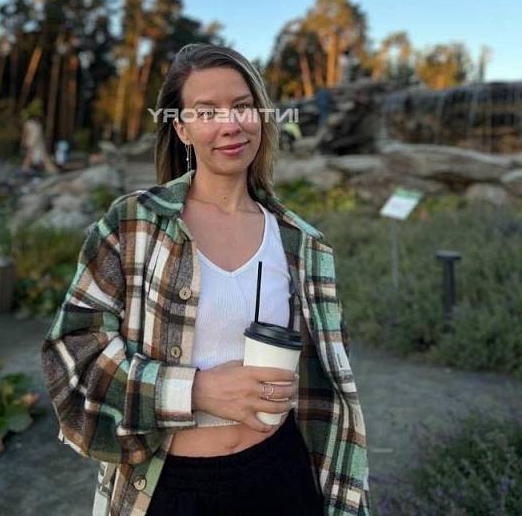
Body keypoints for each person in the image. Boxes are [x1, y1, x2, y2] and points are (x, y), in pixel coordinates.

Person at [41, 43, 371, 516]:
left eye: (242, 106)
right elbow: (72, 357)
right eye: (207, 111)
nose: (230, 125)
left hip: (282, 476)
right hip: (169, 488)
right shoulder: (134, 224)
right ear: (181, 128)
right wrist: (194, 390)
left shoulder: (302, 244)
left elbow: (328, 386)